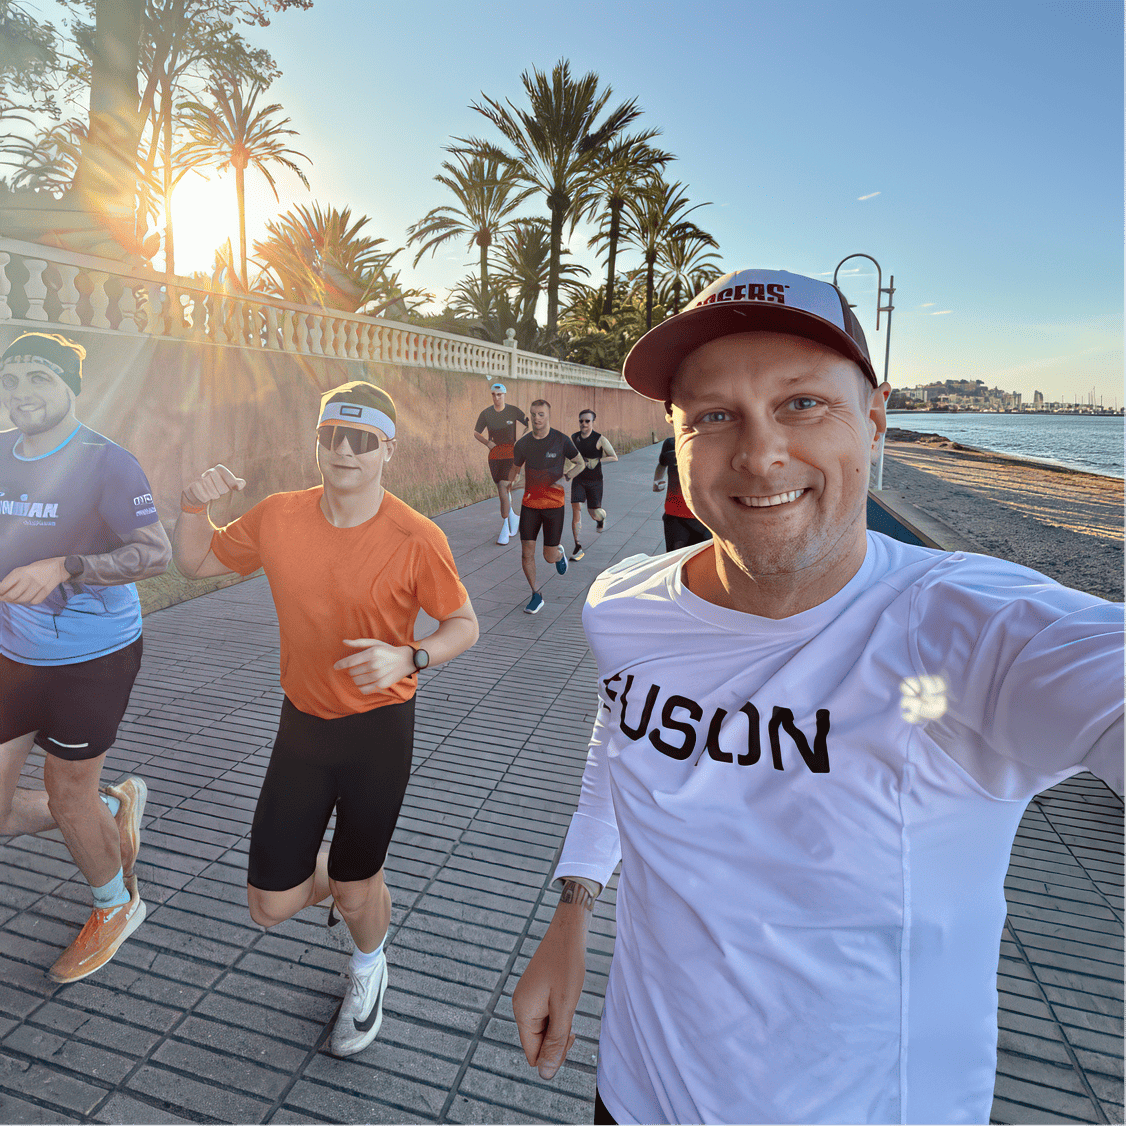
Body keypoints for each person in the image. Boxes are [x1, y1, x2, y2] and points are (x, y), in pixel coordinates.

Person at [511, 269, 1124, 1126]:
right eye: (714, 416)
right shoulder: (624, 607)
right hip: (633, 1094)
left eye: (802, 404)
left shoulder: (968, 633)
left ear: (873, 420)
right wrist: (573, 908)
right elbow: (621, 735)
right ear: (676, 440)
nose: (760, 455)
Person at [173, 380, 479, 1057]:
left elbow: (464, 623)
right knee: (270, 905)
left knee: (354, 884)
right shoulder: (279, 516)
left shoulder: (415, 536)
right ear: (318, 442)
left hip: (379, 732)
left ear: (388, 450)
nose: (344, 451)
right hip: (303, 727)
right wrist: (193, 505)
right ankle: (349, 879)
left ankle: (369, 963)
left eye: (362, 440)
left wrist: (411, 655)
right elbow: (194, 562)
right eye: (332, 436)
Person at [0, 332, 171, 983]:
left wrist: (66, 566)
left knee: (66, 794)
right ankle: (113, 810)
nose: (21, 393)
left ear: (71, 386)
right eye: (11, 379)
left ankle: (116, 904)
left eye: (38, 378)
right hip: (12, 653)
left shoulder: (107, 463)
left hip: (91, 658)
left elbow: (155, 554)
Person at [509, 399, 584, 614]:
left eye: (541, 414)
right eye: (533, 414)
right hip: (530, 505)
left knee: (548, 556)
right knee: (527, 553)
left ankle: (558, 554)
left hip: (553, 506)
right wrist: (509, 483)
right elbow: (514, 469)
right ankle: (536, 594)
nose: (536, 418)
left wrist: (567, 476)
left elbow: (580, 463)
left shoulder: (561, 440)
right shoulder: (523, 444)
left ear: (548, 415)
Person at [474, 382, 528, 545]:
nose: (496, 397)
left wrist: (521, 440)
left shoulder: (513, 411)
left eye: (499, 394)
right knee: (504, 488)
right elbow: (476, 433)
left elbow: (528, 423)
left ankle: (505, 527)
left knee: (503, 488)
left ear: (504, 395)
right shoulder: (486, 413)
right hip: (495, 456)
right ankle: (514, 518)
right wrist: (487, 443)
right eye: (494, 394)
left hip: (511, 455)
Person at [568, 409, 617, 561]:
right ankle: (577, 546)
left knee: (593, 512)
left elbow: (614, 457)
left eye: (587, 421)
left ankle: (601, 518)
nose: (584, 424)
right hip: (579, 479)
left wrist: (598, 460)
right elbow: (571, 456)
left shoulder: (599, 439)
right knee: (576, 508)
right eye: (581, 421)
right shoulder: (574, 437)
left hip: (595, 481)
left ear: (592, 422)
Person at [652, 433, 711, 552]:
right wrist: (657, 481)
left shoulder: (714, 444)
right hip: (675, 516)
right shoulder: (671, 444)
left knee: (702, 558)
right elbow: (662, 464)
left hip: (706, 518)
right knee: (676, 557)